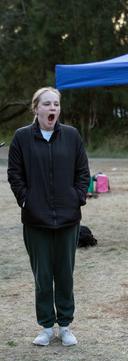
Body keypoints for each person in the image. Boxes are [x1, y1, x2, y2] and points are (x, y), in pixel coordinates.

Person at [7, 86, 90, 346]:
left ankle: (65, 326)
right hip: (35, 221)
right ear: (36, 109)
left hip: (68, 220)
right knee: (43, 276)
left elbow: (83, 172)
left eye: (56, 104)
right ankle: (46, 326)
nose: (52, 108)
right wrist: (26, 200)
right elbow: (14, 174)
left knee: (64, 274)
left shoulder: (72, 135)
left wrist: (77, 197)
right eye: (46, 104)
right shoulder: (21, 138)